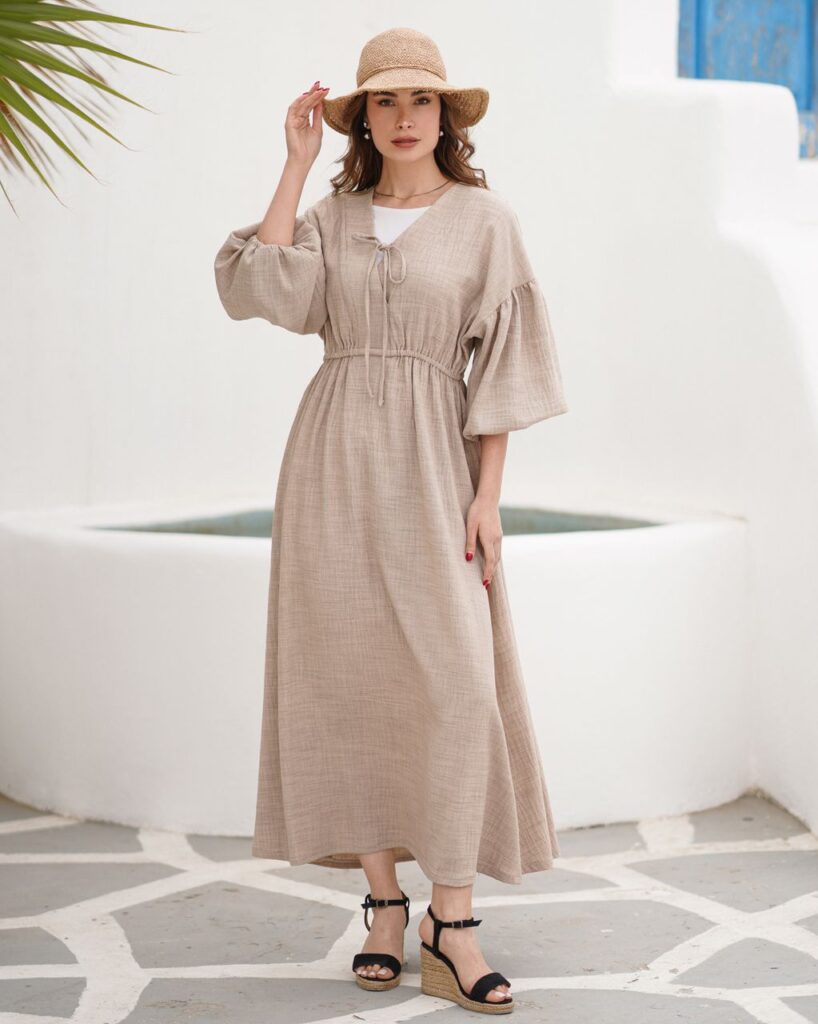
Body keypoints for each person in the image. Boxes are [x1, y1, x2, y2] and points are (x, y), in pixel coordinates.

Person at [214, 26, 568, 1016]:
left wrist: (487, 496)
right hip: (330, 460)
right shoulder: (329, 217)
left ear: (445, 115)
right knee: (349, 680)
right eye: (384, 100)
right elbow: (259, 290)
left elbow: (504, 363)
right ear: (361, 119)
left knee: (458, 685)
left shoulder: (486, 221)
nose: (404, 117)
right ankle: (382, 904)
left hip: (434, 463)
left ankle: (452, 922)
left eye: (421, 99)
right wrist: (293, 165)